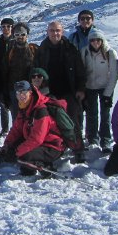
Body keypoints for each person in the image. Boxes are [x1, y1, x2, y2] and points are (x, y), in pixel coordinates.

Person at [34, 20, 86, 162]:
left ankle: (78, 148)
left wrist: (81, 88)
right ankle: (55, 147)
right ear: (47, 32)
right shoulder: (42, 50)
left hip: (69, 90)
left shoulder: (70, 48)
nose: (55, 33)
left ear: (62, 32)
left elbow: (80, 70)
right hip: (48, 91)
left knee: (73, 118)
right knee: (50, 121)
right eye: (52, 30)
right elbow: (36, 70)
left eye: (57, 30)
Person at [0, 81, 65, 176]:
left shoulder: (40, 110)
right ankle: (28, 168)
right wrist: (7, 145)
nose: (21, 95)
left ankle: (46, 167)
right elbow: (16, 130)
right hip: (41, 144)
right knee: (14, 149)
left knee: (23, 154)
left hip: (52, 146)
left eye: (23, 92)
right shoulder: (24, 107)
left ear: (30, 92)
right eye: (18, 92)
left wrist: (17, 152)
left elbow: (37, 139)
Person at [81, 29, 118, 152]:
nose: (95, 42)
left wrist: (108, 93)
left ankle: (105, 139)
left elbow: (114, 74)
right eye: (92, 40)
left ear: (102, 40)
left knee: (105, 114)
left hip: (105, 87)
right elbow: (82, 70)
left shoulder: (110, 53)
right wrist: (83, 88)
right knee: (91, 113)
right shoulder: (85, 51)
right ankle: (92, 138)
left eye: (98, 40)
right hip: (90, 87)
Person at [2, 22, 38, 121]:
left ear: (27, 35)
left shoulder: (34, 50)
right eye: (17, 34)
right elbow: (5, 72)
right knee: (17, 119)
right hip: (14, 91)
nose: (20, 37)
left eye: (23, 34)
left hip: (30, 91)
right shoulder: (10, 52)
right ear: (14, 35)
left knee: (31, 119)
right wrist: (5, 93)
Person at [0, 18, 14, 135]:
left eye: (8, 26)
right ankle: (5, 129)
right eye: (3, 26)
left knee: (15, 105)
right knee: (2, 104)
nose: (6, 29)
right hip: (1, 77)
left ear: (12, 27)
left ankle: (16, 128)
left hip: (14, 77)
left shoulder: (16, 41)